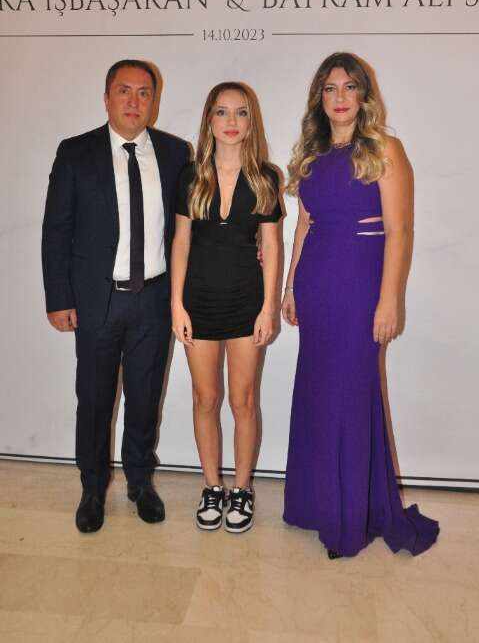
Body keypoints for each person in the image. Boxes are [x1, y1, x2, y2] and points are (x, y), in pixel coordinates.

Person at [282, 52, 439, 558]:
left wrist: (390, 299)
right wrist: (290, 287)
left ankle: (349, 517)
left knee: (350, 393)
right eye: (330, 88)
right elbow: (304, 224)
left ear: (364, 95)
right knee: (317, 391)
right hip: (317, 284)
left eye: (350, 86)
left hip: (359, 286)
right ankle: (317, 505)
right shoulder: (313, 155)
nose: (340, 97)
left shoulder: (385, 148)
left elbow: (399, 230)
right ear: (319, 98)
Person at [42, 59, 189, 532]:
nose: (134, 101)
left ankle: (140, 482)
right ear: (106, 98)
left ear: (154, 102)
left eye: (144, 93)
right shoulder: (75, 153)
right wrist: (59, 297)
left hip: (154, 299)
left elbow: (188, 227)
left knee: (145, 397)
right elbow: (56, 230)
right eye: (124, 91)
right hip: (96, 300)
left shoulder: (175, 153)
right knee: (94, 398)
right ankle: (92, 487)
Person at [170, 81, 281, 533]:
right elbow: (180, 242)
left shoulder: (266, 177)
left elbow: (271, 246)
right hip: (197, 303)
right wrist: (176, 304)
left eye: (241, 112)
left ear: (251, 122)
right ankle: (212, 486)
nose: (231, 121)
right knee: (205, 398)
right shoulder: (190, 176)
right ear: (209, 121)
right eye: (222, 112)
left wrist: (268, 307)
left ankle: (242, 488)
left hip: (246, 303)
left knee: (243, 400)